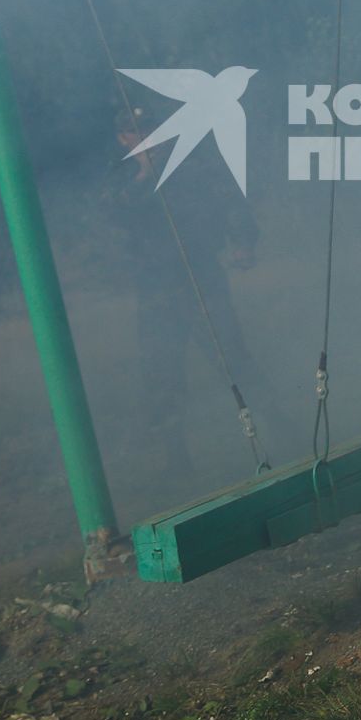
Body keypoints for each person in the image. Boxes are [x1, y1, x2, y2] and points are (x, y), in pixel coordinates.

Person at [106, 109, 273, 467]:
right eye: (136, 130)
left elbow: (230, 201)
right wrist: (144, 175)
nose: (148, 135)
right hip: (155, 288)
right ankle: (176, 461)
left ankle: (283, 434)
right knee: (162, 375)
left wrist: (243, 242)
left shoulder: (191, 164)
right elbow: (114, 216)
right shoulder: (120, 177)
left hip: (201, 279)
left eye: (152, 126)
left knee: (234, 360)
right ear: (124, 138)